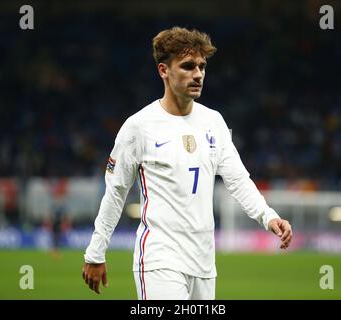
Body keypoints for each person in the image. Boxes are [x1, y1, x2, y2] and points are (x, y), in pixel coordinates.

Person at [82, 26, 292, 300]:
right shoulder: (138, 127)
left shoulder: (214, 122)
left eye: (202, 66)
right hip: (160, 258)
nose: (198, 74)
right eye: (188, 66)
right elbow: (116, 191)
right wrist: (96, 252)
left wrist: (269, 216)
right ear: (163, 71)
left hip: (204, 262)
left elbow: (238, 180)